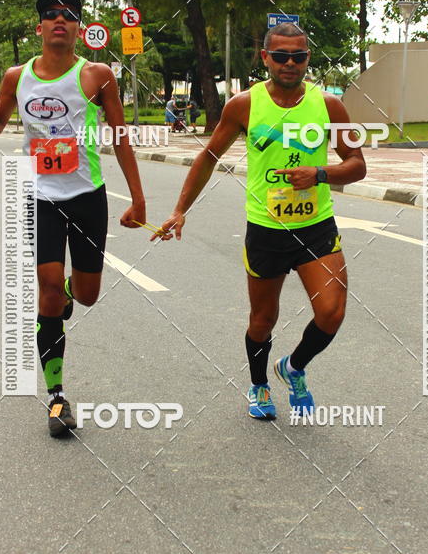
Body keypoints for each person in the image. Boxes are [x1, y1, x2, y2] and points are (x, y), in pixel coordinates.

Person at [152, 23, 366, 419]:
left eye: (298, 56)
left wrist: (319, 174)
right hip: (266, 230)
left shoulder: (330, 106)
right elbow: (208, 157)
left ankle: (293, 367)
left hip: (315, 225)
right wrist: (180, 209)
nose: (290, 63)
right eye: (281, 56)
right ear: (265, 57)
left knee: (332, 312)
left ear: (307, 60)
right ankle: (259, 385)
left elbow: (357, 166)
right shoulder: (243, 105)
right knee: (263, 319)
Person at [0, 0, 146, 437]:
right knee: (47, 288)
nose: (59, 21)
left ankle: (68, 293)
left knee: (84, 295)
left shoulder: (96, 75)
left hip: (88, 195)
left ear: (78, 28)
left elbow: (121, 136)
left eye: (68, 15)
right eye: (51, 15)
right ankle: (56, 398)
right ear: (40, 27)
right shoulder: (18, 77)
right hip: (41, 197)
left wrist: (138, 198)